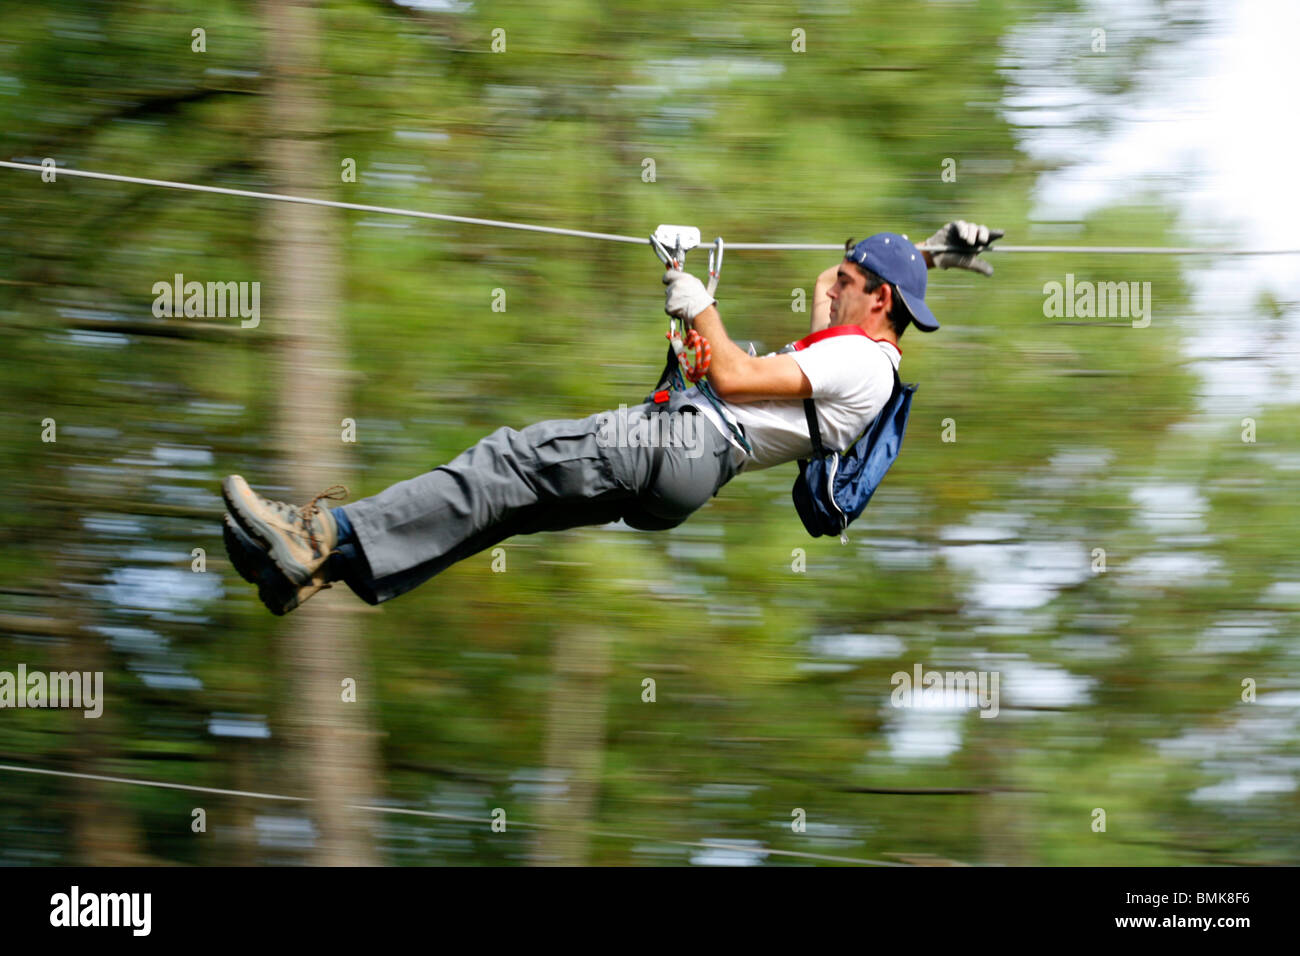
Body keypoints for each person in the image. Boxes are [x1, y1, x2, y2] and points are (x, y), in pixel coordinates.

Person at [222, 221, 1002, 614]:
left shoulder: (860, 361)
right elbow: (832, 273)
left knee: (507, 460)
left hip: (681, 438)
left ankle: (318, 535)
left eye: (857, 282)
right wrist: (923, 255)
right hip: (687, 468)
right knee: (506, 506)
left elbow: (732, 376)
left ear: (879, 301)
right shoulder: (854, 339)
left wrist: (698, 301)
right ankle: (317, 569)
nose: (833, 285)